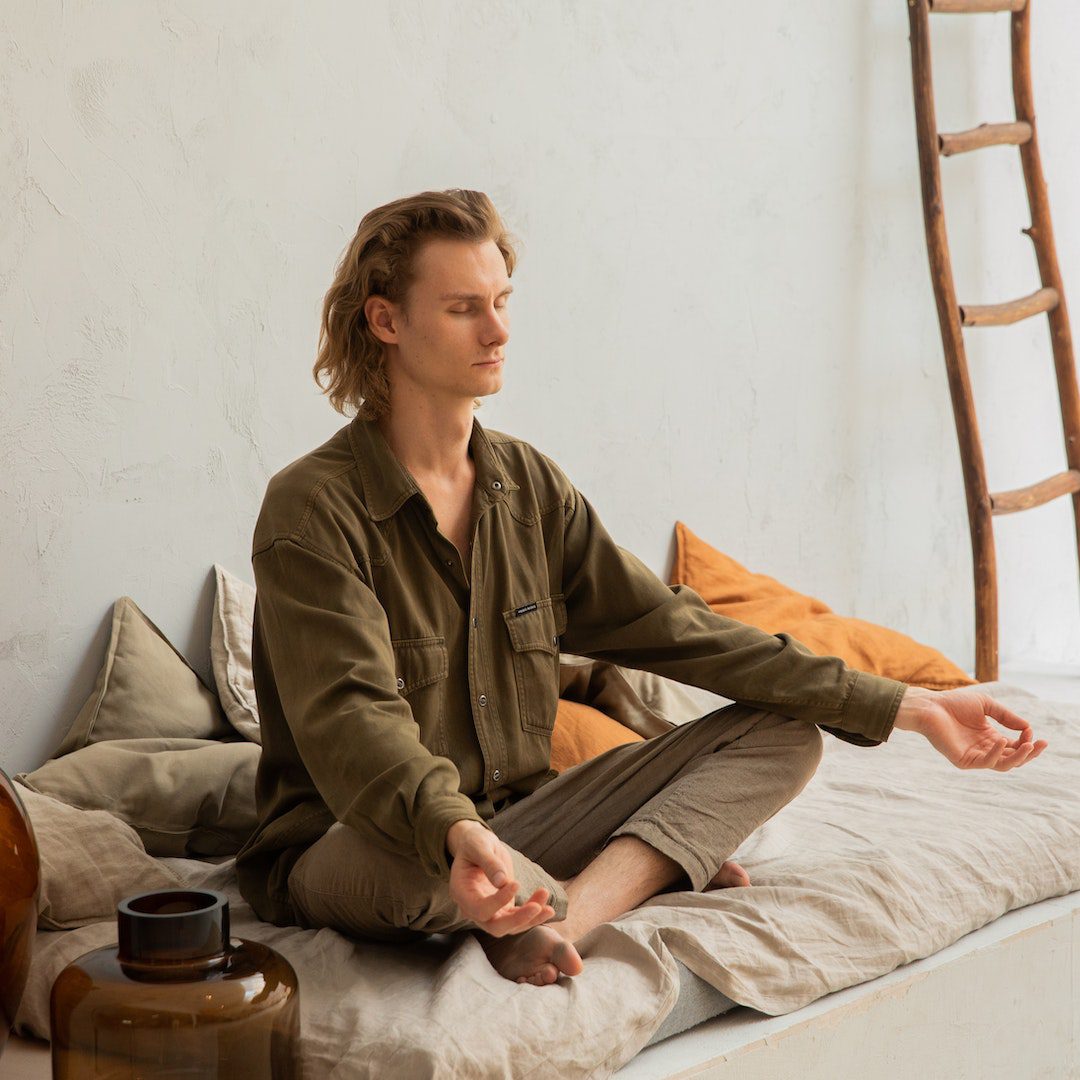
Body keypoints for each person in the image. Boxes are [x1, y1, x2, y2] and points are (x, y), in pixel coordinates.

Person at [235, 188, 1049, 987]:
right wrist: (452, 832)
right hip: (354, 841)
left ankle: (566, 917)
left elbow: (678, 630)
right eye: (463, 309)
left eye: (503, 301)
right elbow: (354, 723)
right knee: (424, 877)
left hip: (519, 823)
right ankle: (622, 867)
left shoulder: (528, 487)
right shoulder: (311, 510)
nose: (499, 330)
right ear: (386, 321)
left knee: (786, 734)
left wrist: (914, 707)